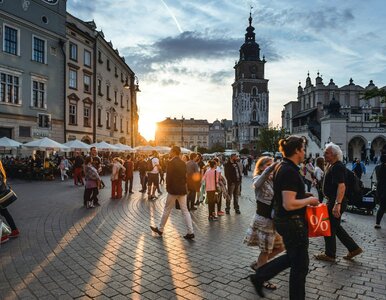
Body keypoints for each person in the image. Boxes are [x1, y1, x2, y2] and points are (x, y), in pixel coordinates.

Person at [250, 135, 319, 299]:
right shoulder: (289, 171)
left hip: (285, 221)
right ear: (296, 150)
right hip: (293, 223)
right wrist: (310, 200)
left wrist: (303, 194)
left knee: (294, 259)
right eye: (303, 149)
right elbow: (288, 203)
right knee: (300, 265)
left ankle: (260, 276)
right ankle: (260, 277)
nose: (304, 152)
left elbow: (285, 195)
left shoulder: (283, 166)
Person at [315, 142, 363, 262]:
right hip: (333, 200)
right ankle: (354, 248)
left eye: (327, 153)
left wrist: (337, 204)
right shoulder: (332, 165)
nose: (324, 154)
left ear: (335, 154)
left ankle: (330, 254)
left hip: (335, 201)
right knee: (335, 227)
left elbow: (341, 186)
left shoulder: (337, 166)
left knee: (329, 227)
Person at [244, 156, 285, 291]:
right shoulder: (258, 178)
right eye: (267, 165)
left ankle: (258, 265)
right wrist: (271, 168)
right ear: (261, 167)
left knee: (280, 246)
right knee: (265, 251)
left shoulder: (274, 180)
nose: (271, 167)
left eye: (272, 165)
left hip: (273, 221)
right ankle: (262, 278)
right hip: (264, 220)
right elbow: (257, 183)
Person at [150, 146, 194, 240]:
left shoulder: (171, 162)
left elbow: (168, 177)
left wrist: (167, 187)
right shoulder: (183, 163)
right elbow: (186, 176)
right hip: (182, 189)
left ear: (174, 152)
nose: (169, 153)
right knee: (185, 211)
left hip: (173, 190)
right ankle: (191, 232)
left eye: (170, 151)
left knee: (167, 209)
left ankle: (160, 229)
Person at [0, 160, 20, 244]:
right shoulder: (1, 169)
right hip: (1, 196)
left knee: (5, 213)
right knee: (5, 213)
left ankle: (3, 236)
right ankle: (14, 230)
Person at [375, 153, 386, 228]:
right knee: (382, 207)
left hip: (380, 189)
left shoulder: (377, 167)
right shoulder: (384, 168)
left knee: (381, 207)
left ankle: (377, 223)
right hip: (384, 189)